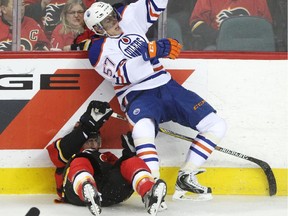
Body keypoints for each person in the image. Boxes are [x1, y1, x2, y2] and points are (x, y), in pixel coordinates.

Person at [83, 0, 227, 200]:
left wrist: (151, 51)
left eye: (113, 16)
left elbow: (156, 3)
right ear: (97, 29)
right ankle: (152, 187)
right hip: (137, 93)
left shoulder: (127, 17)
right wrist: (150, 52)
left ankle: (187, 175)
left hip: (166, 85)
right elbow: (125, 74)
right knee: (143, 130)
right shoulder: (97, 50)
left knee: (216, 125)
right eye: (107, 22)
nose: (114, 22)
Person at [46, 100, 167, 216]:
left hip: (109, 194)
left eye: (95, 140)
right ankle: (85, 186)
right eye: (88, 141)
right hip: (73, 193)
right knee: (82, 159)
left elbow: (119, 172)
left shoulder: (106, 156)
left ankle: (148, 192)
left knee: (131, 162)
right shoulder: (70, 153)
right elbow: (59, 152)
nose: (92, 144)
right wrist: (85, 128)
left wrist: (130, 154)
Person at [189, 0, 273, 50]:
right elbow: (195, 23)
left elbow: (266, 26)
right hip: (219, 47)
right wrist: (219, 36)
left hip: (251, 47)